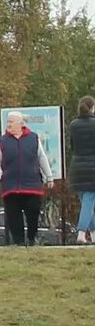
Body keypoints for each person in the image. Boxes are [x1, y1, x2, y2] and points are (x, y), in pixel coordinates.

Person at [0, 112, 49, 244]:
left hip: (32, 185)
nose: (9, 124)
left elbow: (42, 157)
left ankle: (32, 238)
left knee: (33, 212)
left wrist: (49, 176)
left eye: (12, 121)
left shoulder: (33, 138)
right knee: (13, 215)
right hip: (11, 187)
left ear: (21, 124)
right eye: (8, 122)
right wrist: (1, 176)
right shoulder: (2, 141)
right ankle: (19, 242)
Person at [68, 96, 95, 245]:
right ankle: (81, 233)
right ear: (92, 107)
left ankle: (93, 234)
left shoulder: (74, 125)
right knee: (89, 201)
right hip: (92, 167)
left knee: (87, 203)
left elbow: (73, 145)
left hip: (77, 167)